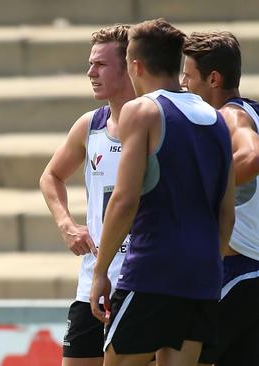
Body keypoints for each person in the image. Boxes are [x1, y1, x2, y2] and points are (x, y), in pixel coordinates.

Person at [88, 19, 236, 366]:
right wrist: (205, 262)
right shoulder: (217, 118)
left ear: (135, 66)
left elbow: (125, 199)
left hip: (154, 268)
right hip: (202, 273)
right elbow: (227, 210)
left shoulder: (142, 110)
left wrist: (100, 272)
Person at [40, 24, 135, 366]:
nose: (90, 72)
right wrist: (66, 224)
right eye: (90, 64)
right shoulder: (90, 125)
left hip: (141, 281)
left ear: (130, 67)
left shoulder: (159, 123)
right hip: (93, 282)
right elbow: (50, 176)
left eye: (101, 65)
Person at [181, 31, 259, 366]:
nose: (183, 83)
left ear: (213, 78)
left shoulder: (229, 115)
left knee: (178, 357)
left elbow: (252, 156)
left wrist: (198, 191)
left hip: (239, 272)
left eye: (188, 75)